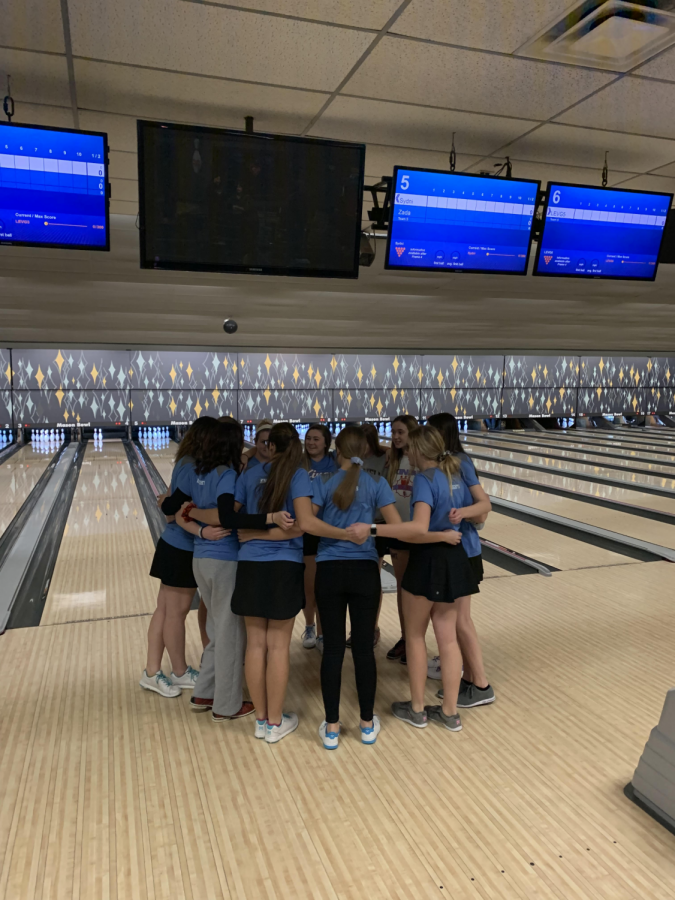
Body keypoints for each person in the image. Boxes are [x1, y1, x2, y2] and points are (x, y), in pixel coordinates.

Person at [351, 425, 491, 733]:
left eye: (409, 448)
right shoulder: (455, 473)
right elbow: (481, 508)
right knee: (448, 638)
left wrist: (373, 529)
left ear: (419, 450)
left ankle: (416, 709)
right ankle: (450, 713)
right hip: (454, 560)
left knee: (415, 636)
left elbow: (417, 529)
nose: (406, 453)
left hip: (427, 559)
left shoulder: (425, 480)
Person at [296, 427, 400, 749]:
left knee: (334, 650)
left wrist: (338, 535)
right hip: (364, 572)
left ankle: (331, 728)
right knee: (364, 650)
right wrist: (366, 530)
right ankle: (367, 725)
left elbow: (308, 524)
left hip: (328, 571)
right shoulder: (377, 483)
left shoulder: (322, 483)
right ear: (366, 452)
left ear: (336, 450)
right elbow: (396, 527)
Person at [230, 423, 312, 744]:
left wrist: (254, 532)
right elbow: (301, 526)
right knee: (277, 646)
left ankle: (261, 720)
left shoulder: (249, 474)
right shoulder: (299, 475)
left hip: (249, 564)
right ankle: (276, 723)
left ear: (270, 446)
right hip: (284, 565)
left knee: (255, 644)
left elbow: (233, 516)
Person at [173, 419, 259, 721]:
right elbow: (225, 516)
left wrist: (193, 514)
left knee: (215, 629)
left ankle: (204, 691)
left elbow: (176, 507)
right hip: (225, 559)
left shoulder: (200, 471)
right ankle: (228, 705)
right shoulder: (227, 474)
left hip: (201, 558)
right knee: (231, 633)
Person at [141, 417, 227, 698]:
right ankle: (178, 672)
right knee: (174, 614)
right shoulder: (193, 466)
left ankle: (152, 672)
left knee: (164, 610)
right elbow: (175, 507)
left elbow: (169, 504)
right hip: (182, 547)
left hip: (172, 544)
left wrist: (166, 502)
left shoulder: (185, 460)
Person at [426, 413, 495, 708]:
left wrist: (461, 514)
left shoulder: (460, 463)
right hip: (456, 550)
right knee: (456, 621)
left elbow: (482, 510)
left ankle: (480, 683)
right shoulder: (445, 464)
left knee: (461, 621)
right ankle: (467, 679)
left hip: (464, 550)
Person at [300, 423, 338, 654]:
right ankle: (310, 626)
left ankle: (323, 634)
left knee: (325, 588)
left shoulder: (335, 463)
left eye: (316, 439)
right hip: (306, 530)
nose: (311, 442)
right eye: (308, 438)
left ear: (326, 442)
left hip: (330, 529)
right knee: (309, 586)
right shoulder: (298, 463)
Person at [383, 414, 419, 664]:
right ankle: (407, 639)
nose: (395, 436)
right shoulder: (391, 459)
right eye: (393, 432)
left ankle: (416, 641)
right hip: (398, 531)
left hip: (421, 531)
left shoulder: (420, 459)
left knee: (419, 591)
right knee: (403, 588)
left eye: (401, 432)